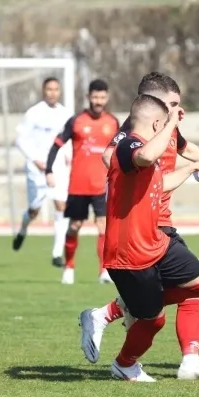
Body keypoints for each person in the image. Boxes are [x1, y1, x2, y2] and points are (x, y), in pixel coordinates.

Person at [79, 72, 199, 380]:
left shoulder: (164, 132)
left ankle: (188, 360)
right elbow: (119, 157)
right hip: (141, 233)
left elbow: (167, 173)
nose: (178, 110)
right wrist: (133, 174)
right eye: (172, 105)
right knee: (154, 316)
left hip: (155, 231)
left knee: (196, 286)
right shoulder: (133, 137)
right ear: (155, 107)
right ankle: (121, 345)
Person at [45, 79, 120, 285]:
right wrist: (49, 170)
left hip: (103, 185)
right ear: (88, 97)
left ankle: (104, 271)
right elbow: (56, 145)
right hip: (78, 185)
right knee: (74, 226)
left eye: (102, 97)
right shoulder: (76, 121)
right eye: (95, 97)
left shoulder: (113, 122)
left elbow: (123, 150)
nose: (98, 101)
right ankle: (69, 268)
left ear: (107, 98)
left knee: (103, 227)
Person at [12, 77, 72, 266]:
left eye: (56, 89)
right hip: (37, 167)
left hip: (58, 166)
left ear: (59, 91)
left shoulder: (66, 113)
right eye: (49, 89)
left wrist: (69, 155)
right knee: (34, 210)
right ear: (43, 91)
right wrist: (35, 159)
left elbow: (70, 138)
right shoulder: (34, 113)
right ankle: (23, 229)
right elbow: (20, 139)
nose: (52, 93)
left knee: (61, 206)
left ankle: (57, 254)